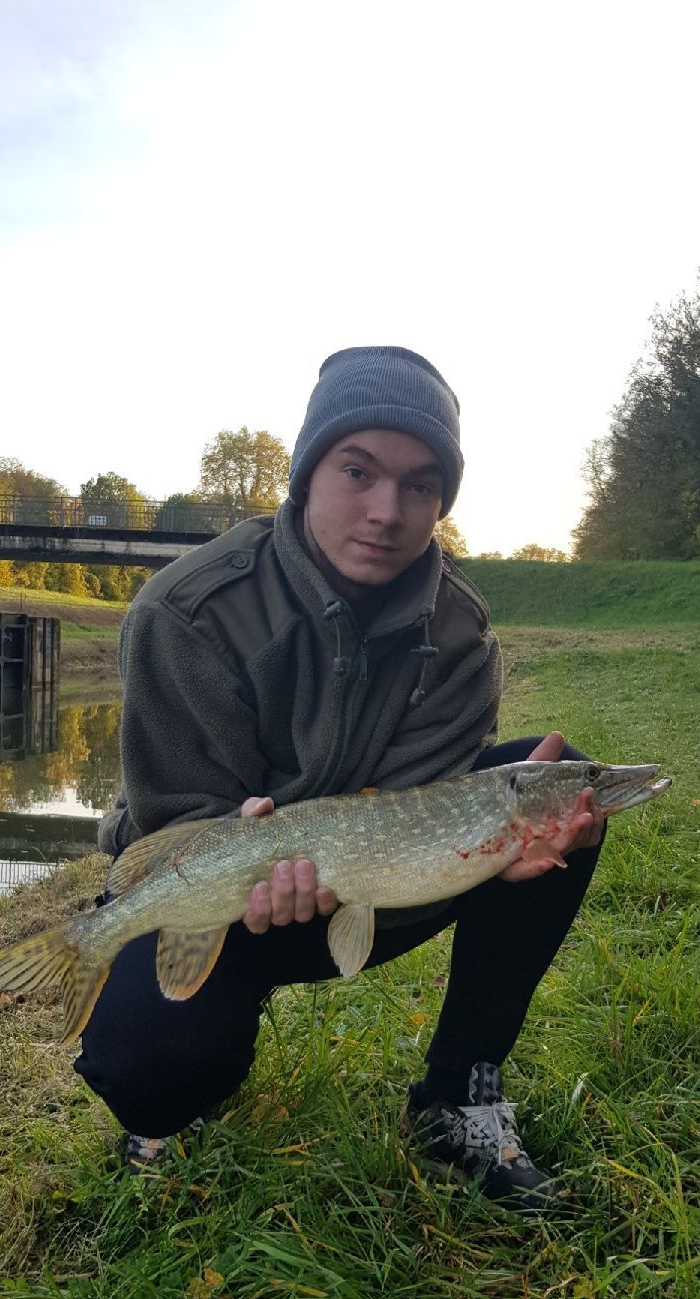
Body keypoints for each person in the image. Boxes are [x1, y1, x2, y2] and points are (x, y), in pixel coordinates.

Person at [78, 346, 606, 1212]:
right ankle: (161, 1114)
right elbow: (175, 813)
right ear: (307, 469)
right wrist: (237, 841)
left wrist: (485, 850)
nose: (386, 510)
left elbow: (420, 804)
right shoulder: (185, 612)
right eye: (357, 470)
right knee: (147, 1065)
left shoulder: (459, 632)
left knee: (554, 791)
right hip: (213, 888)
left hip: (372, 876)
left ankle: (455, 1100)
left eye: (421, 485)